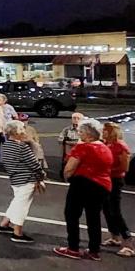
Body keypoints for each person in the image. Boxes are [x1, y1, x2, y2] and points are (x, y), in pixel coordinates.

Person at [54, 120, 113, 261]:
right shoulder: (105, 147)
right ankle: (94, 250)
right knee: (94, 218)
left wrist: (67, 177)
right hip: (102, 185)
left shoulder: (83, 148)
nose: (79, 134)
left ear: (88, 134)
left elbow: (69, 168)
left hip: (83, 183)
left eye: (81, 132)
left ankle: (73, 248)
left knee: (72, 214)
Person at [0, 120, 47, 243]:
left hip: (15, 179)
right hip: (27, 179)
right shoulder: (22, 147)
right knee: (22, 206)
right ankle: (17, 232)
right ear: (17, 132)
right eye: (22, 129)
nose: (24, 131)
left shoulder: (6, 145)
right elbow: (35, 165)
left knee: (17, 202)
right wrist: (41, 179)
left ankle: (3, 224)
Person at [100, 122, 133, 257]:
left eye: (105, 130)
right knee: (107, 209)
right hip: (106, 180)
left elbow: (124, 167)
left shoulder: (120, 146)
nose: (103, 132)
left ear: (111, 132)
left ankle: (129, 244)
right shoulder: (106, 144)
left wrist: (107, 171)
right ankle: (115, 237)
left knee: (115, 211)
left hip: (115, 180)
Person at [58, 112, 84, 181]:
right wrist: (69, 142)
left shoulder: (83, 130)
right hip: (68, 153)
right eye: (74, 118)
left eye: (78, 118)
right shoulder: (66, 130)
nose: (76, 120)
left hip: (80, 154)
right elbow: (60, 139)